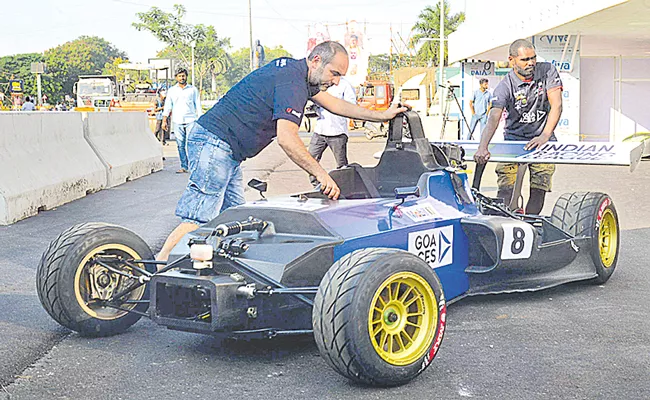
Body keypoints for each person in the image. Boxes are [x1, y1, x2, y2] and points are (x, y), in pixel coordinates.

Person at [156, 41, 407, 262]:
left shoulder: (299, 76)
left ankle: (213, 270)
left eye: (340, 76)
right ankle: (158, 267)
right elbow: (287, 139)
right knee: (200, 216)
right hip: (215, 143)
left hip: (228, 150)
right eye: (334, 73)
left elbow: (337, 105)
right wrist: (321, 174)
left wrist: (381, 116)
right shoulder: (293, 82)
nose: (337, 81)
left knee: (233, 218)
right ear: (316, 60)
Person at [473, 38, 563, 215]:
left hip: (543, 141)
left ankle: (530, 223)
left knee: (539, 187)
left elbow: (557, 105)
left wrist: (545, 136)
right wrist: (482, 147)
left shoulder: (547, 70)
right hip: (514, 140)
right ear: (512, 60)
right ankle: (506, 223)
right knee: (506, 189)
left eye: (533, 58)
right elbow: (494, 118)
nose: (531, 63)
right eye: (524, 60)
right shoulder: (505, 85)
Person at [308, 76, 357, 186]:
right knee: (310, 159)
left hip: (337, 132)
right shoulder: (321, 83)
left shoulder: (345, 85)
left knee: (342, 165)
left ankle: (345, 187)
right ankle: (317, 185)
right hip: (320, 130)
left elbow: (352, 105)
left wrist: (335, 106)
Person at [162, 68, 201, 173]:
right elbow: (168, 106)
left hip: (191, 120)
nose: (182, 78)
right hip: (178, 120)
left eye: (183, 76)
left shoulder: (193, 90)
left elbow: (198, 105)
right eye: (179, 76)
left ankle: (194, 166)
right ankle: (184, 166)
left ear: (186, 76)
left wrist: (200, 119)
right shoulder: (172, 91)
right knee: (180, 145)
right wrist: (164, 120)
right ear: (176, 77)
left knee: (192, 144)